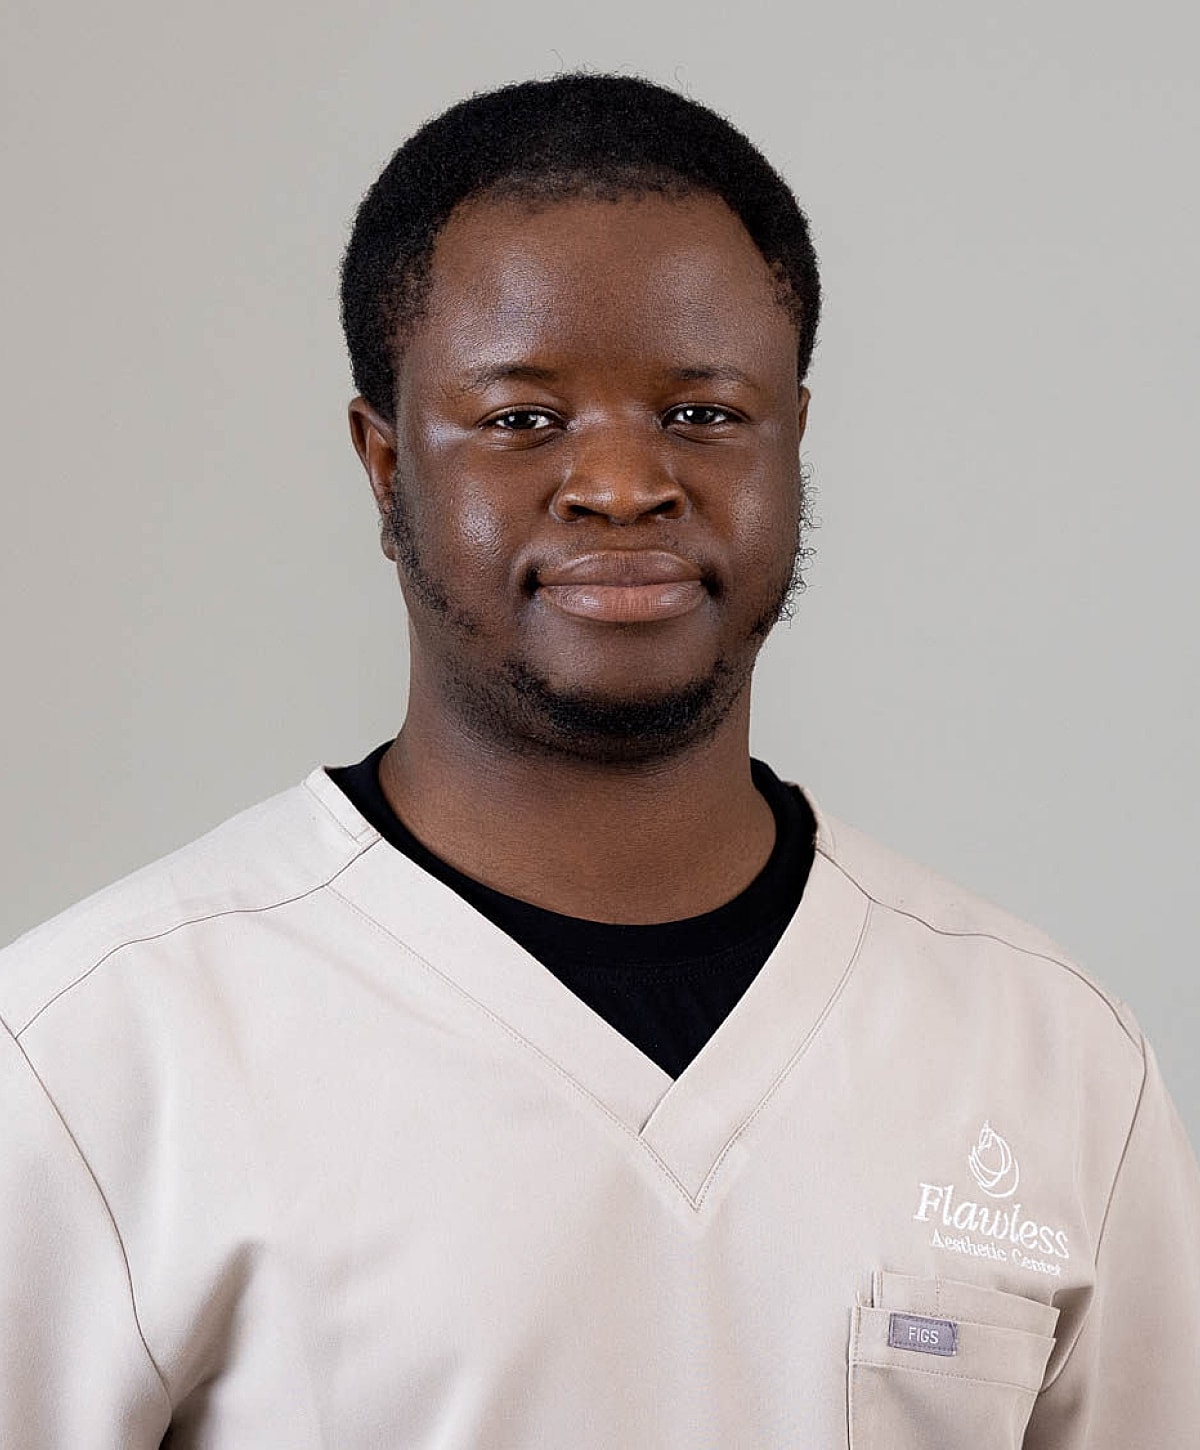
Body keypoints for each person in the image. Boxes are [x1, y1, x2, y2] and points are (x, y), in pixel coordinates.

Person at [1, 73, 1197, 1450]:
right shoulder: (88, 1061)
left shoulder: (1054, 1063)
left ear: (795, 442)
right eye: (522, 420)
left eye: (702, 414)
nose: (624, 483)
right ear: (384, 463)